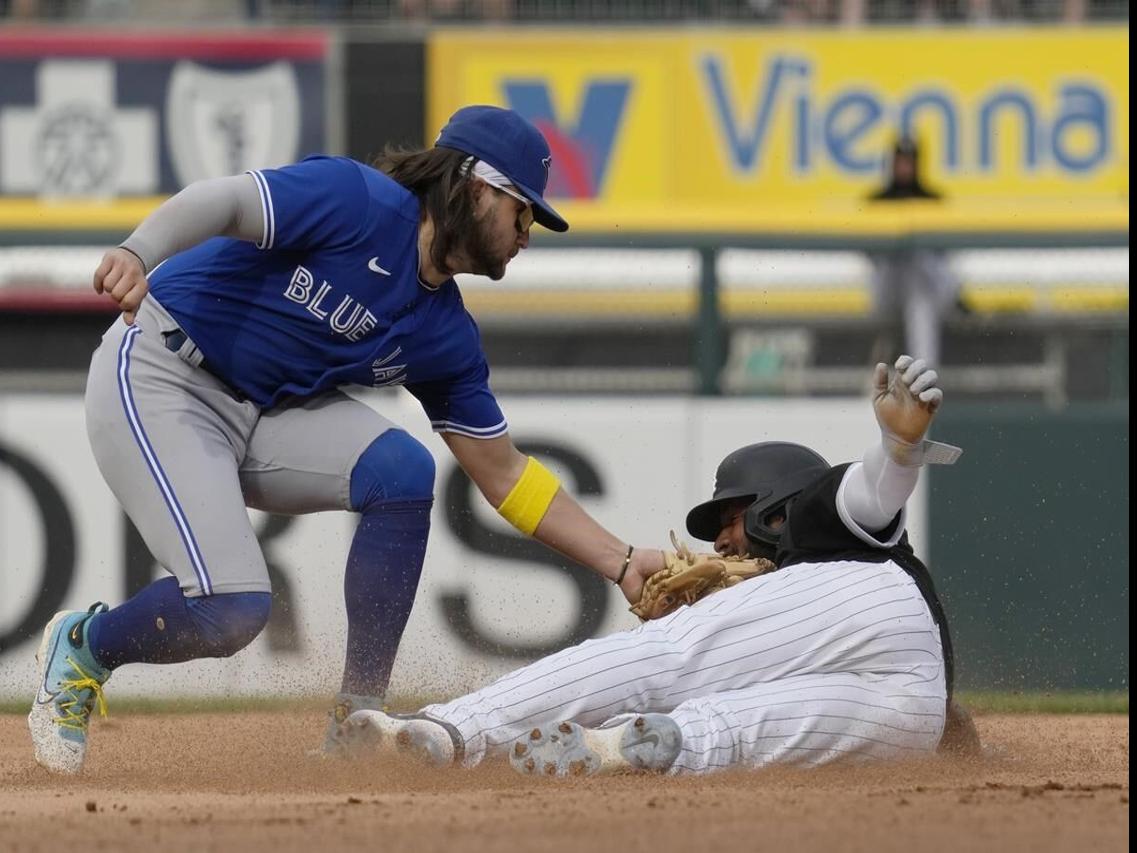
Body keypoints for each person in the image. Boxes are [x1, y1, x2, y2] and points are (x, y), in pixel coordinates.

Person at [28, 105, 667, 775]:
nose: (526, 232)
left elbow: (503, 473)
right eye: (522, 210)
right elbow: (221, 201)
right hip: (161, 371)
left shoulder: (445, 333)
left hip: (261, 413)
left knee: (401, 470)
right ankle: (85, 645)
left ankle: (357, 717)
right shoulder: (357, 201)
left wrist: (620, 561)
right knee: (231, 609)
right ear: (479, 186)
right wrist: (138, 252)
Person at [339, 355, 976, 776]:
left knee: (670, 655)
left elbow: (871, 493)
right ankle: (623, 746)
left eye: (731, 518)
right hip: (915, 712)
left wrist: (897, 451)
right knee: (741, 731)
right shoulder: (811, 582)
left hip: (872, 600)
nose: (722, 543)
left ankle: (452, 729)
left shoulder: (819, 517)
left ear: (774, 510)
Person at [866, 135, 964, 367]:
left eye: (909, 161)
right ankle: (923, 373)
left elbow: (945, 254)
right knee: (911, 279)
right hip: (888, 289)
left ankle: (922, 375)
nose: (904, 167)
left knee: (919, 290)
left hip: (925, 290)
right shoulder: (877, 201)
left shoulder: (932, 199)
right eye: (900, 161)